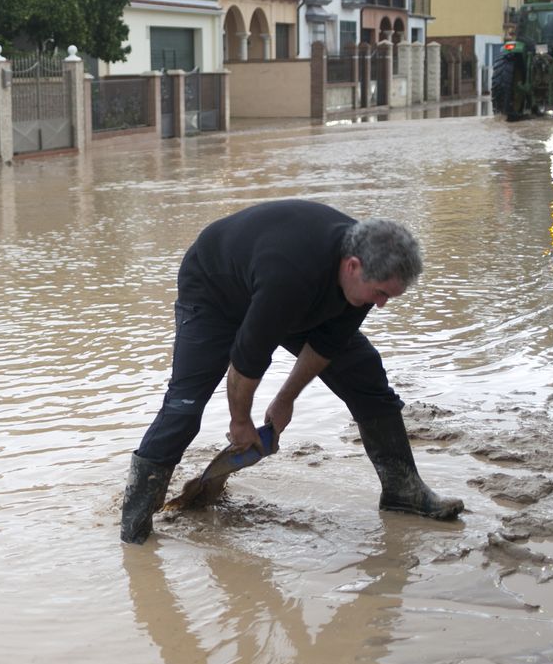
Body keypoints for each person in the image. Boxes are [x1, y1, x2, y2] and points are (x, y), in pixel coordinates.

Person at [119, 200, 463, 544]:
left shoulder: (362, 276)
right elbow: (247, 359)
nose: (382, 304)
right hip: (214, 290)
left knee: (364, 374)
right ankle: (135, 524)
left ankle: (403, 492)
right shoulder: (290, 275)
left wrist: (285, 399)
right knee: (185, 406)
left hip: (290, 294)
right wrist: (241, 422)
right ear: (353, 266)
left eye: (390, 296)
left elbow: (327, 345)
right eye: (380, 294)